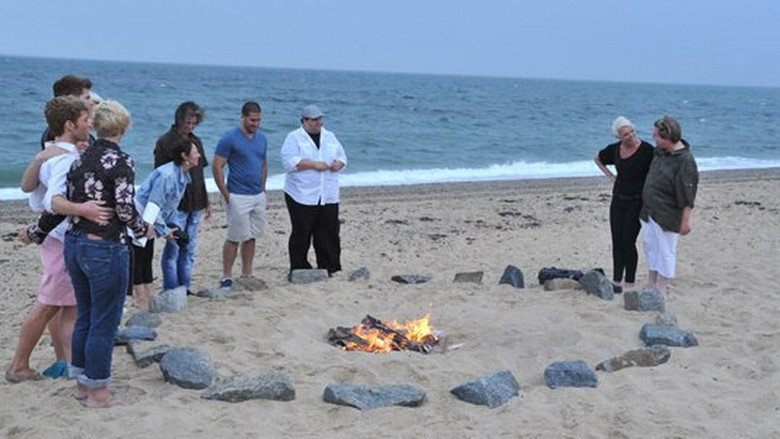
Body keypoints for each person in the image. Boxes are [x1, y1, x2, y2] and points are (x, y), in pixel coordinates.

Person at [61, 100, 153, 408]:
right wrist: (143, 229)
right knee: (105, 321)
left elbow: (68, 199)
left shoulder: (79, 159)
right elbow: (125, 209)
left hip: (75, 242)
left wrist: (37, 231)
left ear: (98, 126)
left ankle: (81, 384)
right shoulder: (121, 161)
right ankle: (98, 391)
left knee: (85, 316)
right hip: (104, 246)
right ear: (124, 127)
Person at [5, 97, 97, 383]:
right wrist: (85, 209)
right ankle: (19, 366)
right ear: (70, 125)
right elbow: (53, 202)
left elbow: (27, 187)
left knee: (71, 307)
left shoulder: (51, 153)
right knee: (47, 305)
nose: (90, 125)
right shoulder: (65, 159)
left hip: (57, 239)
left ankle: (71, 365)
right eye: (85, 120)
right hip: (61, 239)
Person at [132, 137, 200, 310]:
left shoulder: (182, 175)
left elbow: (170, 206)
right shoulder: (167, 176)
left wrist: (174, 226)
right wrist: (164, 230)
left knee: (147, 255)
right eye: (195, 152)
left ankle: (148, 294)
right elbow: (154, 204)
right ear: (184, 156)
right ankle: (139, 297)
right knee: (140, 255)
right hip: (142, 212)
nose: (199, 155)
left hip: (154, 214)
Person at [280, 104, 347, 275]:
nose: (319, 122)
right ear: (305, 121)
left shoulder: (330, 136)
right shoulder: (294, 137)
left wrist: (339, 164)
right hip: (301, 193)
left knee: (329, 231)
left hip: (327, 193)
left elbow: (342, 156)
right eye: (315, 119)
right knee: (302, 232)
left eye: (320, 119)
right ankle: (299, 267)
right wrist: (313, 164)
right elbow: (289, 161)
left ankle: (330, 266)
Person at [154, 102, 210, 294]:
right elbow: (159, 176)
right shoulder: (165, 141)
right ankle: (171, 288)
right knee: (173, 248)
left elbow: (200, 173)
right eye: (188, 123)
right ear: (179, 120)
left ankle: (185, 287)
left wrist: (206, 200)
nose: (190, 127)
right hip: (175, 205)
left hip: (196, 201)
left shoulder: (196, 141)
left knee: (189, 247)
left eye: (194, 123)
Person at [640, 116, 699, 297]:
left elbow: (688, 194)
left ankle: (663, 286)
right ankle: (652, 281)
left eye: (657, 135)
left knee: (665, 250)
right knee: (650, 246)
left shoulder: (685, 160)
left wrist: (685, 222)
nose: (653, 138)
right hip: (649, 210)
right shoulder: (660, 152)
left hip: (668, 213)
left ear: (668, 137)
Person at [594, 116, 654, 290]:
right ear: (618, 136)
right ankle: (616, 280)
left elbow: (657, 172)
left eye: (632, 131)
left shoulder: (647, 150)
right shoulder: (614, 149)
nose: (630, 136)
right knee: (617, 241)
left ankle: (629, 281)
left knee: (628, 241)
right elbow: (597, 158)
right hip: (618, 200)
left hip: (637, 202)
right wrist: (610, 175)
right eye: (626, 134)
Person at [212, 101, 268, 289]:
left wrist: (263, 188)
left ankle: (247, 273)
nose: (256, 124)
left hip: (257, 195)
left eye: (258, 120)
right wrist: (226, 194)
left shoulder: (262, 139)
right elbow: (217, 167)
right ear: (243, 117)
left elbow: (263, 164)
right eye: (252, 120)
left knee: (252, 236)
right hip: (237, 194)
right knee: (234, 237)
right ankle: (226, 276)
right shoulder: (229, 138)